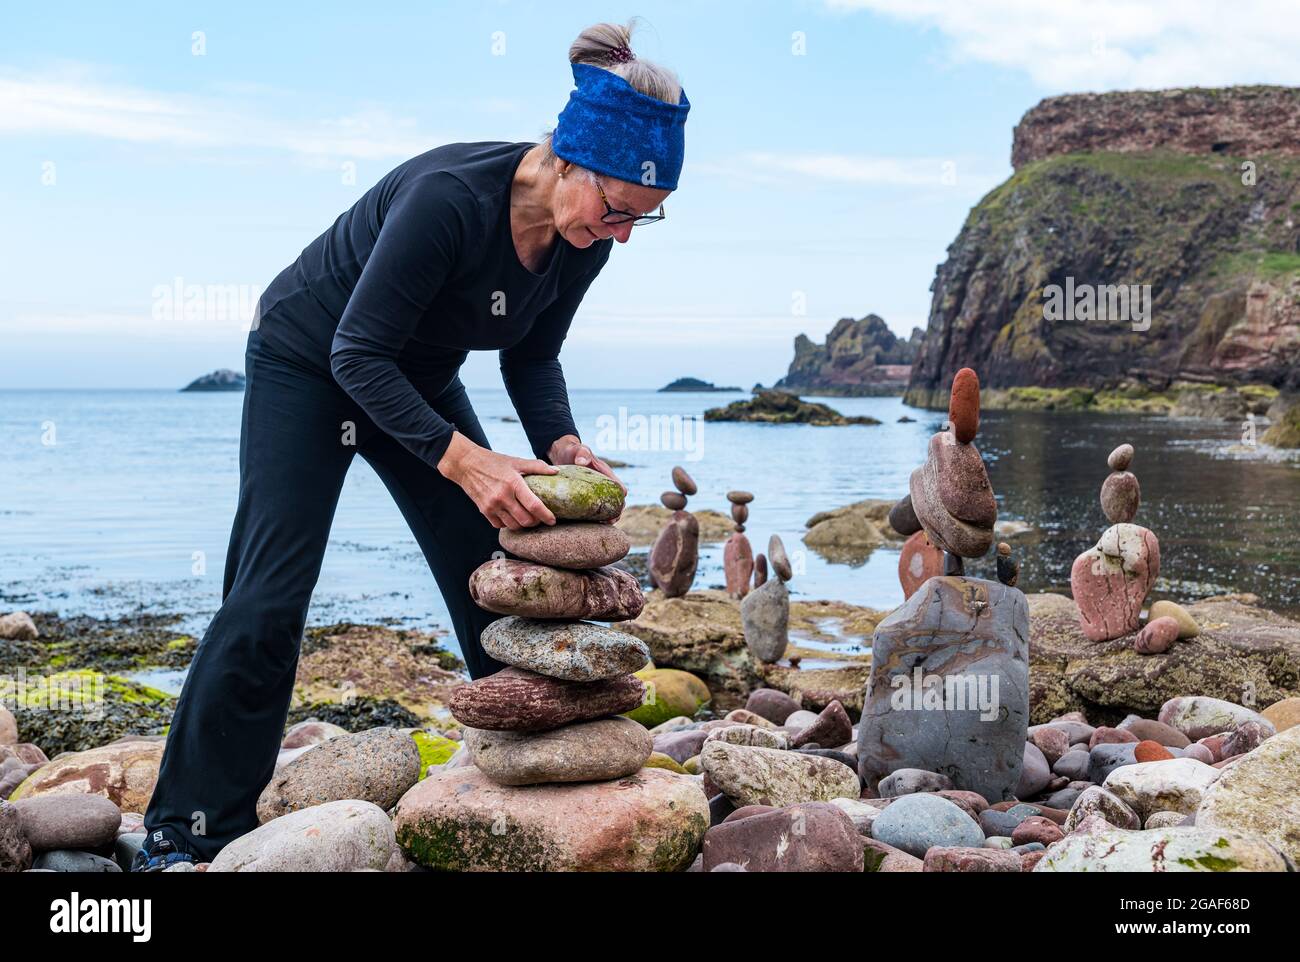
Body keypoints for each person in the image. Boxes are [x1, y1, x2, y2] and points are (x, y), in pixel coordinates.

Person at [132, 20, 690, 871]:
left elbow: (532, 352)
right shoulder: (449, 197)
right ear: (571, 158)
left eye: (640, 224)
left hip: (414, 370)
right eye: (618, 211)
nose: (620, 234)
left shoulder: (584, 234)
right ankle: (187, 830)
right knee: (269, 595)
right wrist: (465, 459)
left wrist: (561, 442)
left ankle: (538, 768)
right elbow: (354, 351)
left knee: (495, 569)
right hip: (309, 359)